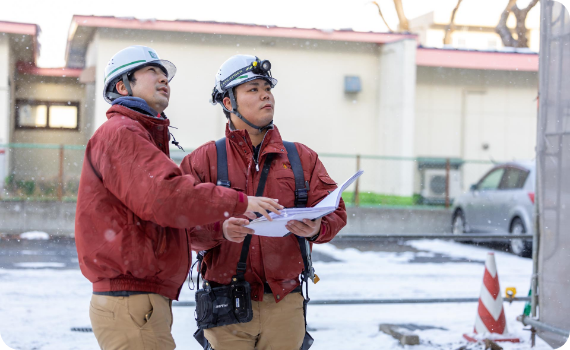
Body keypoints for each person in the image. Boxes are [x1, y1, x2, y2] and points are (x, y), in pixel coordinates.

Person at [75, 46, 282, 350]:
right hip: (132, 301)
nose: (163, 79)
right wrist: (239, 201)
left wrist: (218, 230)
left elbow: (166, 217)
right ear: (122, 86)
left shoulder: (138, 134)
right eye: (152, 72)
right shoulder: (122, 133)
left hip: (139, 300)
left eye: (165, 74)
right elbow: (167, 198)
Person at [180, 54, 347, 350]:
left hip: (285, 304)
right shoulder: (203, 161)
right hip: (225, 305)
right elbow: (180, 226)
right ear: (228, 103)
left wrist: (316, 228)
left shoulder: (301, 158)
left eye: (266, 88)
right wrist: (221, 230)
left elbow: (337, 213)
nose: (265, 95)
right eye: (252, 89)